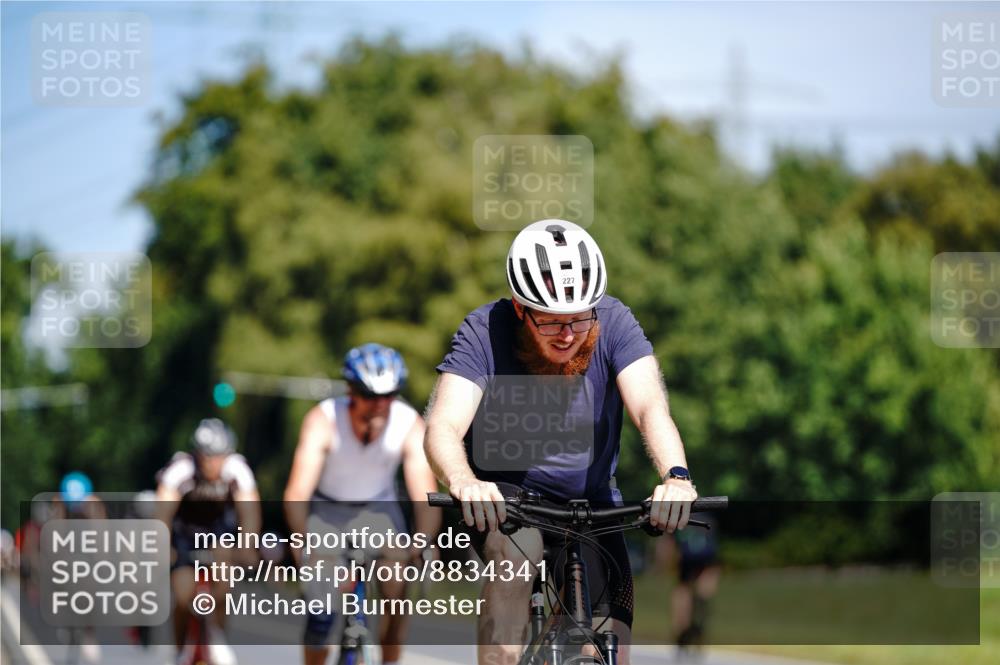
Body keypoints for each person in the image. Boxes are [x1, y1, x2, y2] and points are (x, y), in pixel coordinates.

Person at [424, 219, 699, 665]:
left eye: (579, 319)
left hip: (591, 503)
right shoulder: (484, 331)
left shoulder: (614, 321)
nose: (568, 334)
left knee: (610, 650)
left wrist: (677, 477)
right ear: (520, 308)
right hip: (505, 499)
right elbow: (443, 425)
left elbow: (650, 406)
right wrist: (462, 480)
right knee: (518, 556)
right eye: (551, 322)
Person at [284, 343, 440, 665]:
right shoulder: (323, 420)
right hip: (329, 511)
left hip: (379, 510)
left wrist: (423, 541)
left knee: (397, 589)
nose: (380, 406)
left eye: (389, 395)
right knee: (321, 611)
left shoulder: (408, 423)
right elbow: (297, 493)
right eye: (370, 396)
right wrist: (304, 542)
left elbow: (425, 496)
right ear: (351, 391)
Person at [156, 418, 261, 665]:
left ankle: (217, 635)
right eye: (207, 457)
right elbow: (162, 513)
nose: (212, 463)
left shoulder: (237, 470)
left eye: (218, 457)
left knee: (224, 578)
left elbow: (250, 512)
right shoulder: (181, 469)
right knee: (183, 594)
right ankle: (180, 649)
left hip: (218, 532)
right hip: (184, 534)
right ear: (197, 453)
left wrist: (247, 546)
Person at [669, 513, 720, 660]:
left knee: (685, 599)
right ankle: (691, 636)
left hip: (695, 563)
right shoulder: (708, 518)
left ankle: (687, 636)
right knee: (696, 600)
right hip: (703, 563)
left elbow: (671, 546)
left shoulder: (678, 517)